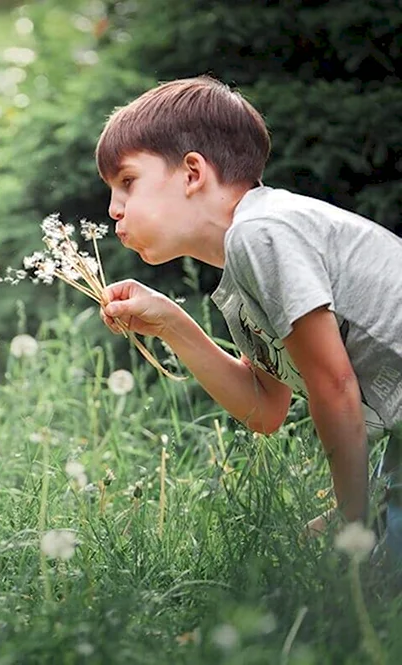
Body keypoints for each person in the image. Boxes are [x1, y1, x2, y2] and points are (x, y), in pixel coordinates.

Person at [94, 75, 402, 561]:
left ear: (192, 173)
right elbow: (265, 410)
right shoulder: (245, 267)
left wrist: (351, 518)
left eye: (127, 181)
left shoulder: (261, 233)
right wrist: (171, 322)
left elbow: (334, 385)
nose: (114, 209)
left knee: (372, 579)